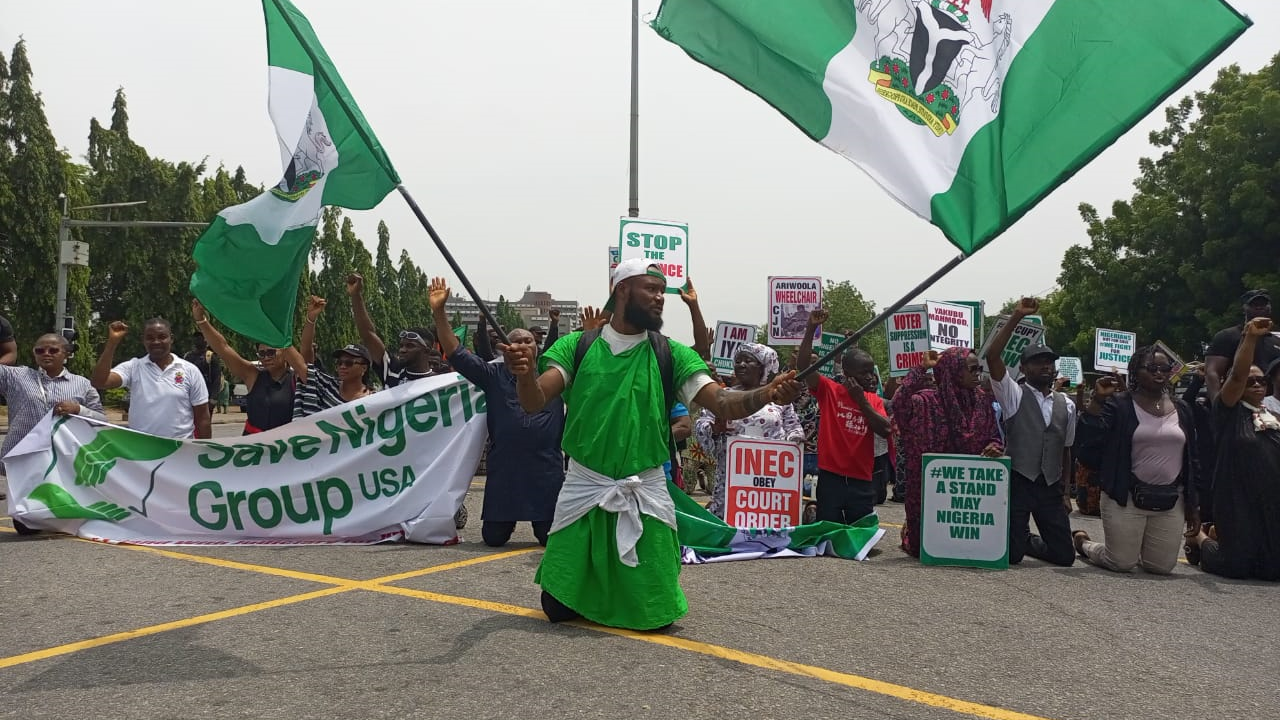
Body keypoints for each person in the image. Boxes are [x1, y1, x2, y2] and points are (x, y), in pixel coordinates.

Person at [501, 259, 801, 631]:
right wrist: (525, 373)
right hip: (585, 486)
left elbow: (723, 403)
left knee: (655, 615)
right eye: (651, 289)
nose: (660, 297)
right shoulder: (575, 346)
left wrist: (766, 393)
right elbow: (533, 401)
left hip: (644, 487)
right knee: (556, 609)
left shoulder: (671, 354)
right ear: (622, 290)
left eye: (662, 291)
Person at [428, 277, 564, 547]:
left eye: (528, 341)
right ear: (505, 349)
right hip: (505, 471)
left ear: (536, 348)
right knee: (493, 538)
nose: (523, 344)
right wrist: (439, 312)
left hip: (546, 472)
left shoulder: (555, 374)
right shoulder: (493, 374)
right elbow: (455, 351)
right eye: (517, 341)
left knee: (549, 540)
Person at [1072, 347, 1199, 574]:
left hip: (1170, 499)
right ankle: (1084, 543)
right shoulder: (1119, 405)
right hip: (1125, 497)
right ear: (1135, 372)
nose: (1159, 373)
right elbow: (1088, 443)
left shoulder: (1183, 409)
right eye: (1151, 368)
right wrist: (1098, 401)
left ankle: (1137, 545)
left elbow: (1193, 460)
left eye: (1164, 368)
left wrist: (1194, 507)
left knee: (1160, 567)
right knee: (1121, 563)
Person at [984, 297, 1077, 567]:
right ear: (1023, 369)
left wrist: (1066, 493)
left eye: (1049, 362)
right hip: (1020, 481)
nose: (1045, 366)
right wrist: (1016, 316)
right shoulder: (1013, 394)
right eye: (1037, 362)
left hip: (1049, 486)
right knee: (1011, 558)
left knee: (1064, 557)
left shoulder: (1067, 405)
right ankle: (1018, 540)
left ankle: (1028, 541)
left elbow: (1066, 449)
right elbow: (992, 357)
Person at [1186, 317, 1280, 580]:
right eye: (1251, 382)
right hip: (1237, 500)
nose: (1258, 385)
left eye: (1262, 381)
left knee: (1272, 571)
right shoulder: (1228, 411)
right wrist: (1250, 337)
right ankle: (1202, 538)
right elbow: (1238, 375)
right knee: (1236, 566)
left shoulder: (1272, 417)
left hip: (1271, 502)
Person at [894, 348, 1003, 557]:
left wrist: (995, 446)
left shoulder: (982, 401)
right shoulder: (925, 401)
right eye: (972, 369)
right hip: (928, 490)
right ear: (953, 370)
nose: (977, 374)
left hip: (968, 492)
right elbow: (899, 405)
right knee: (920, 547)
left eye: (979, 369)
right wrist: (921, 368)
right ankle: (910, 530)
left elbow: (993, 434)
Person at [795, 309, 892, 525]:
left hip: (862, 481)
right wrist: (811, 328)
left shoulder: (873, 400)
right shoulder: (830, 391)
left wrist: (862, 401)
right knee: (828, 535)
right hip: (831, 478)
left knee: (860, 536)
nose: (870, 377)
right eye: (863, 373)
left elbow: (885, 430)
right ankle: (812, 511)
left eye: (871, 372)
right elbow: (803, 367)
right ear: (848, 376)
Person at [694, 343, 803, 518]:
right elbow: (701, 425)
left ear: (762, 368)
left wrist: (794, 441)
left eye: (748, 361)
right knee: (730, 519)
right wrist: (713, 429)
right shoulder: (724, 397)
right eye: (738, 361)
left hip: (770, 480)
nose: (741, 365)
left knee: (766, 522)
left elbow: (793, 427)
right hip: (732, 479)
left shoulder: (778, 399)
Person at [0, 333, 106, 510]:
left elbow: (101, 420)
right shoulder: (16, 377)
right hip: (22, 457)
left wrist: (78, 409)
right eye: (40, 350)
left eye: (53, 350)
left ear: (66, 354)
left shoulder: (82, 384)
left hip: (62, 460)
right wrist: (8, 344)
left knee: (58, 512)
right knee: (26, 520)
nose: (46, 353)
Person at [192, 299, 306, 434]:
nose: (266, 357)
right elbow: (223, 348)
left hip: (285, 447)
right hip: (254, 448)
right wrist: (201, 320)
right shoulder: (252, 375)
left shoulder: (297, 379)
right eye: (261, 354)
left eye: (271, 352)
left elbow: (305, 358)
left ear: (284, 351)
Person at [91, 318, 211, 439]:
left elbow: (203, 419)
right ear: (143, 340)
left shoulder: (190, 370)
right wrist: (112, 343)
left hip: (180, 450)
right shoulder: (133, 367)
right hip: (143, 451)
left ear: (171, 338)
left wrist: (206, 451)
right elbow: (100, 382)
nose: (156, 342)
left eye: (162, 336)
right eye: (150, 338)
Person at [347, 273, 440, 388]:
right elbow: (368, 334)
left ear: (426, 350)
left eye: (410, 346)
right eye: (401, 345)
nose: (402, 350)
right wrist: (356, 295)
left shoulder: (439, 382)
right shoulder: (392, 371)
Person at [295, 296, 375, 418]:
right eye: (339, 362)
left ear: (364, 368)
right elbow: (305, 353)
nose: (342, 366)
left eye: (349, 363)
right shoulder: (327, 386)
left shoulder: (374, 400)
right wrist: (311, 318)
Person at [1205, 290, 1279, 403]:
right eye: (1254, 304)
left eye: (1263, 304)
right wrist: (1217, 404)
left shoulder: (1275, 340)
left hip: (1270, 405)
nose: (1259, 307)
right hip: (1237, 404)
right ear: (1244, 308)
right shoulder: (1227, 336)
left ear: (1270, 307)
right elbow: (1212, 372)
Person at [183, 332, 222, 419]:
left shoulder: (210, 357)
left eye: (201, 338)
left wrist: (213, 399)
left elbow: (217, 379)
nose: (198, 340)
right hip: (189, 398)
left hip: (205, 399)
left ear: (206, 340)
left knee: (204, 424)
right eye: (196, 338)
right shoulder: (188, 356)